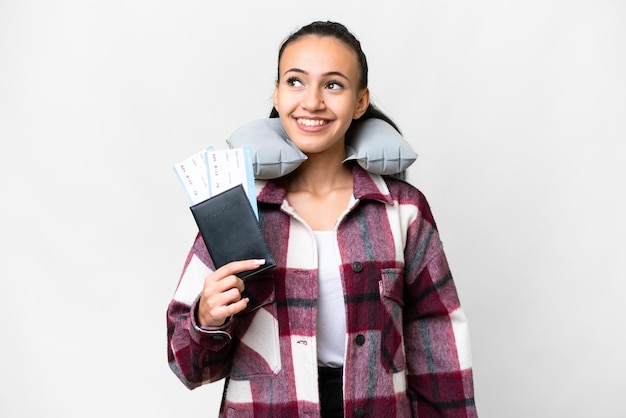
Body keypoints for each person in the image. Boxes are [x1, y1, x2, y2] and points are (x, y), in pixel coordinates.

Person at [167, 21, 477, 418]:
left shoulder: (404, 210)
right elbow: (188, 368)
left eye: (333, 85)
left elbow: (439, 339)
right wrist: (205, 318)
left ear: (360, 101)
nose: (312, 102)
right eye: (296, 82)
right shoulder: (238, 207)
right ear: (277, 94)